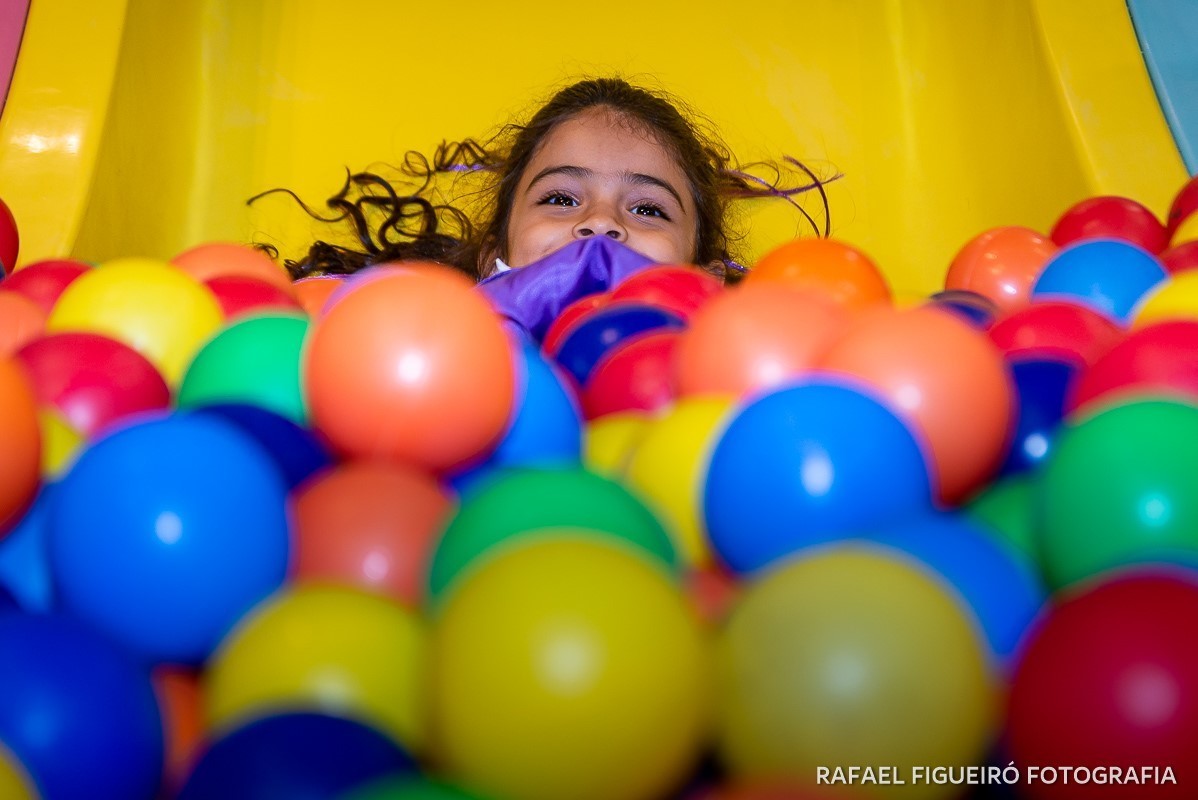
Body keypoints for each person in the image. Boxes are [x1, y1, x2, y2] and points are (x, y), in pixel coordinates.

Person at [251, 77, 836, 286]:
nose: (602, 221)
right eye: (560, 198)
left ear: (704, 281)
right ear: (491, 258)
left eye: (649, 209)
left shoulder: (730, 386)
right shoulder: (445, 340)